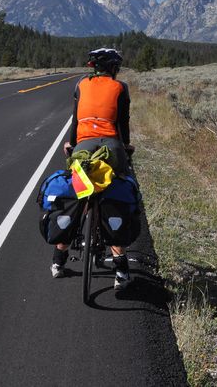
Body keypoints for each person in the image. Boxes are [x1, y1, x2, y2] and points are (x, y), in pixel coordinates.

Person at [51, 47, 136, 291]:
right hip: (111, 148)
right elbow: (122, 122)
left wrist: (71, 144)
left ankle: (58, 261)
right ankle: (121, 270)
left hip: (83, 148)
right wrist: (126, 147)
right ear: (112, 68)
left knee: (78, 196)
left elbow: (76, 120)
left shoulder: (80, 85)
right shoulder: (120, 88)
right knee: (116, 195)